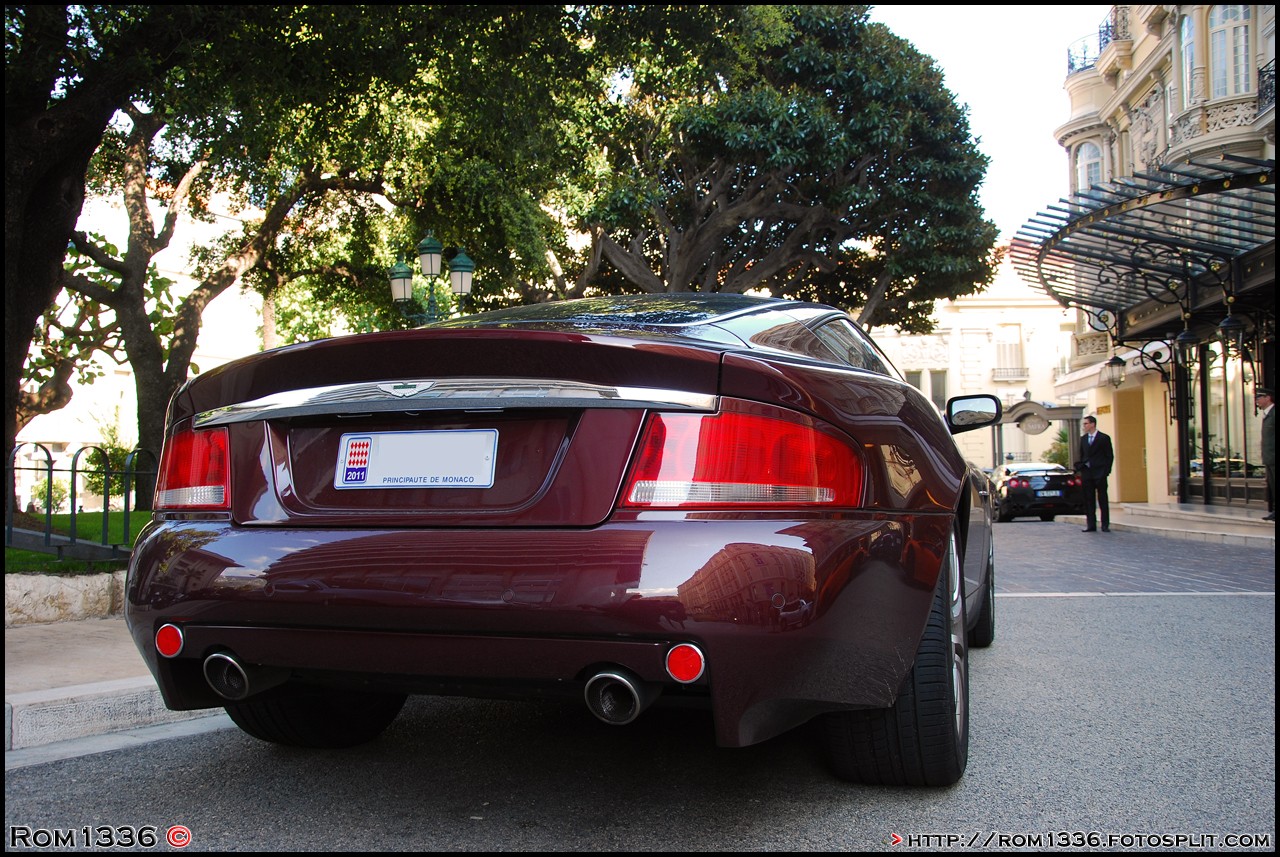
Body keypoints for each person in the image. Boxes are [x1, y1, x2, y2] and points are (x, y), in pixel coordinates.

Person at [1077, 415, 1114, 532]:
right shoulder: (1083, 439)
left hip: (1100, 473)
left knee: (1102, 498)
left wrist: (1106, 471)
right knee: (1088, 499)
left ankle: (1105, 524)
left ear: (1092, 424)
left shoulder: (1103, 438)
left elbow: (1109, 456)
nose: (1084, 426)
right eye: (1084, 424)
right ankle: (1091, 524)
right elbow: (1082, 455)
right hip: (1087, 473)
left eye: (1086, 424)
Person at [1257, 387, 1275, 522]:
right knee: (1272, 485)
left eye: (1259, 397)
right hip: (1269, 458)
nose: (1257, 400)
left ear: (1267, 398)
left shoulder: (1274, 413)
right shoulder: (1267, 414)